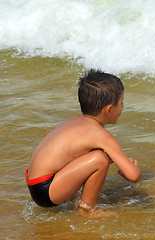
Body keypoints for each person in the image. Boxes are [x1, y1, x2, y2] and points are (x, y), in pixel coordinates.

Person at [26, 69, 142, 214]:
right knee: (99, 159)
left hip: (37, 183)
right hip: (46, 189)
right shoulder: (100, 134)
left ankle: (75, 202)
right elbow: (134, 176)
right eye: (122, 103)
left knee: (98, 156)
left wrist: (119, 162)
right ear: (109, 109)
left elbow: (73, 155)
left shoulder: (78, 122)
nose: (123, 107)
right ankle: (87, 210)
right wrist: (131, 170)